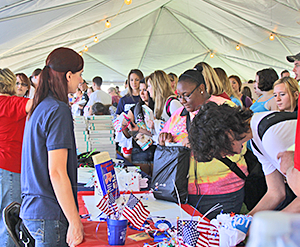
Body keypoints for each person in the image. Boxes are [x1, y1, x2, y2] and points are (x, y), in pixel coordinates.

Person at [159, 65, 246, 219]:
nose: (182, 100)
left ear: (201, 89)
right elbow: (165, 136)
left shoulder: (224, 107)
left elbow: (240, 145)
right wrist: (164, 138)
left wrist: (197, 140)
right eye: (179, 96)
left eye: (186, 95)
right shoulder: (179, 114)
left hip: (223, 191)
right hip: (188, 193)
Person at [20, 47, 84, 247]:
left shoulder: (41, 106)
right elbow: (56, 171)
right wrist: (74, 221)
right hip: (48, 211)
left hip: (35, 208)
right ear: (68, 75)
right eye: (80, 75)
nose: (81, 81)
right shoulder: (58, 109)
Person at [188, 102, 300, 215]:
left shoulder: (271, 136)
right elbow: (276, 192)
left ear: (228, 134)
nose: (222, 156)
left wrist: (272, 223)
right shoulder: (257, 136)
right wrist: (245, 222)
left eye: (219, 151)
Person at [0, 68, 32, 247]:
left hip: (7, 165)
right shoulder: (11, 103)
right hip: (9, 167)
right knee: (8, 223)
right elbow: (35, 103)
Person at [121, 80, 156, 174]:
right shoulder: (135, 109)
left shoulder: (158, 108)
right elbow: (128, 135)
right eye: (140, 90)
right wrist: (124, 126)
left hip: (156, 150)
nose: (141, 93)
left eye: (145, 89)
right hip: (139, 150)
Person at [115, 69, 143, 158]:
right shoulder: (124, 99)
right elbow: (118, 115)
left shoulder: (145, 97)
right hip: (127, 136)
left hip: (142, 135)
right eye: (131, 80)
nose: (134, 82)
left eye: (137, 79)